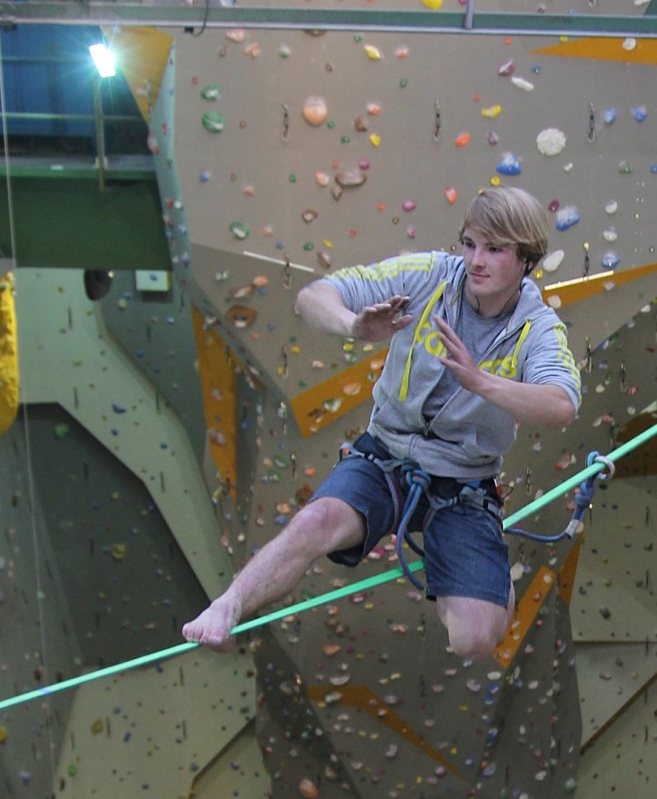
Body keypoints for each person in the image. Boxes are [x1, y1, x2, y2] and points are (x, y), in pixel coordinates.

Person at [183, 186, 581, 659]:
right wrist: (353, 326)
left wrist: (481, 382)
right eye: (470, 243)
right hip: (386, 454)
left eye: (494, 250)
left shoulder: (538, 326)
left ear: (527, 260)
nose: (476, 260)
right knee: (316, 520)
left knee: (473, 641)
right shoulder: (430, 274)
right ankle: (227, 607)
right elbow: (314, 296)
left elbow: (561, 405)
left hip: (465, 481)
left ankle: (475, 577)